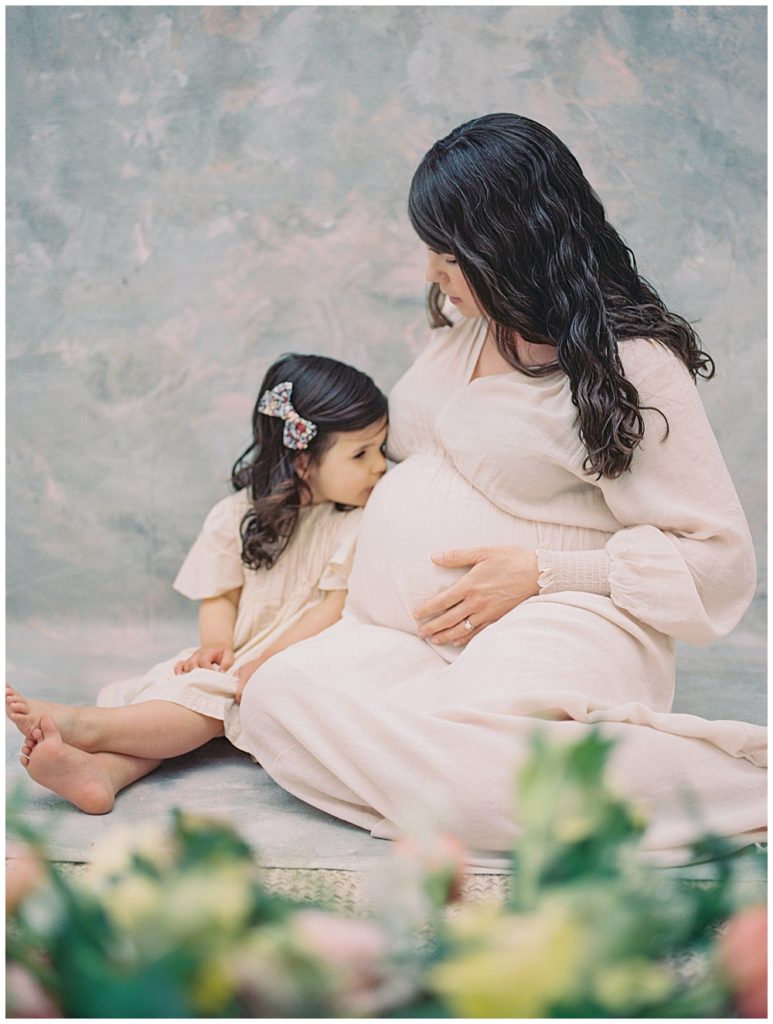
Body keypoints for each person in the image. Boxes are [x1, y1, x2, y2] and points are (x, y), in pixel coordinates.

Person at [232, 113, 766, 862]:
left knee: (475, 787)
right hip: (408, 634)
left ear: (508, 246)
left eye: (446, 254)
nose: (431, 274)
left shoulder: (632, 365)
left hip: (566, 617)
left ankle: (746, 787)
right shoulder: (471, 324)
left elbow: (717, 560)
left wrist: (540, 574)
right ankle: (465, 778)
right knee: (272, 699)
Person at [6, 354, 388, 813]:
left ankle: (90, 726)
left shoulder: (356, 523)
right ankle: (104, 773)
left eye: (380, 448)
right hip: (244, 656)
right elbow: (220, 594)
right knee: (178, 687)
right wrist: (217, 644)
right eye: (362, 453)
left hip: (302, 658)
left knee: (205, 699)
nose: (380, 466)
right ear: (302, 460)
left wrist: (262, 662)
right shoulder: (237, 515)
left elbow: (331, 610)